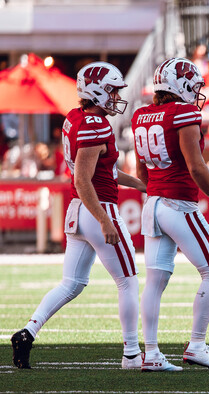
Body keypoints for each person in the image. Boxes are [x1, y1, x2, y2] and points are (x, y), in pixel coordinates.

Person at [11, 62, 146, 369]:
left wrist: (141, 184)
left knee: (71, 283)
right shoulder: (97, 125)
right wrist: (104, 219)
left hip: (79, 210)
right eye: (111, 91)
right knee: (127, 281)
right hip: (97, 208)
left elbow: (104, 171)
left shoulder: (75, 118)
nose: (115, 97)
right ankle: (132, 354)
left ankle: (27, 333)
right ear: (97, 91)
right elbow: (82, 180)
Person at [132, 57, 209, 372]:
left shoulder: (141, 115)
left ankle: (150, 353)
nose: (198, 92)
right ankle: (197, 345)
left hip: (153, 203)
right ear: (181, 85)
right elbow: (196, 165)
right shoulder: (183, 112)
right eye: (194, 85)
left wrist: (155, 195)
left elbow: (140, 170)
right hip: (178, 204)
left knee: (155, 280)